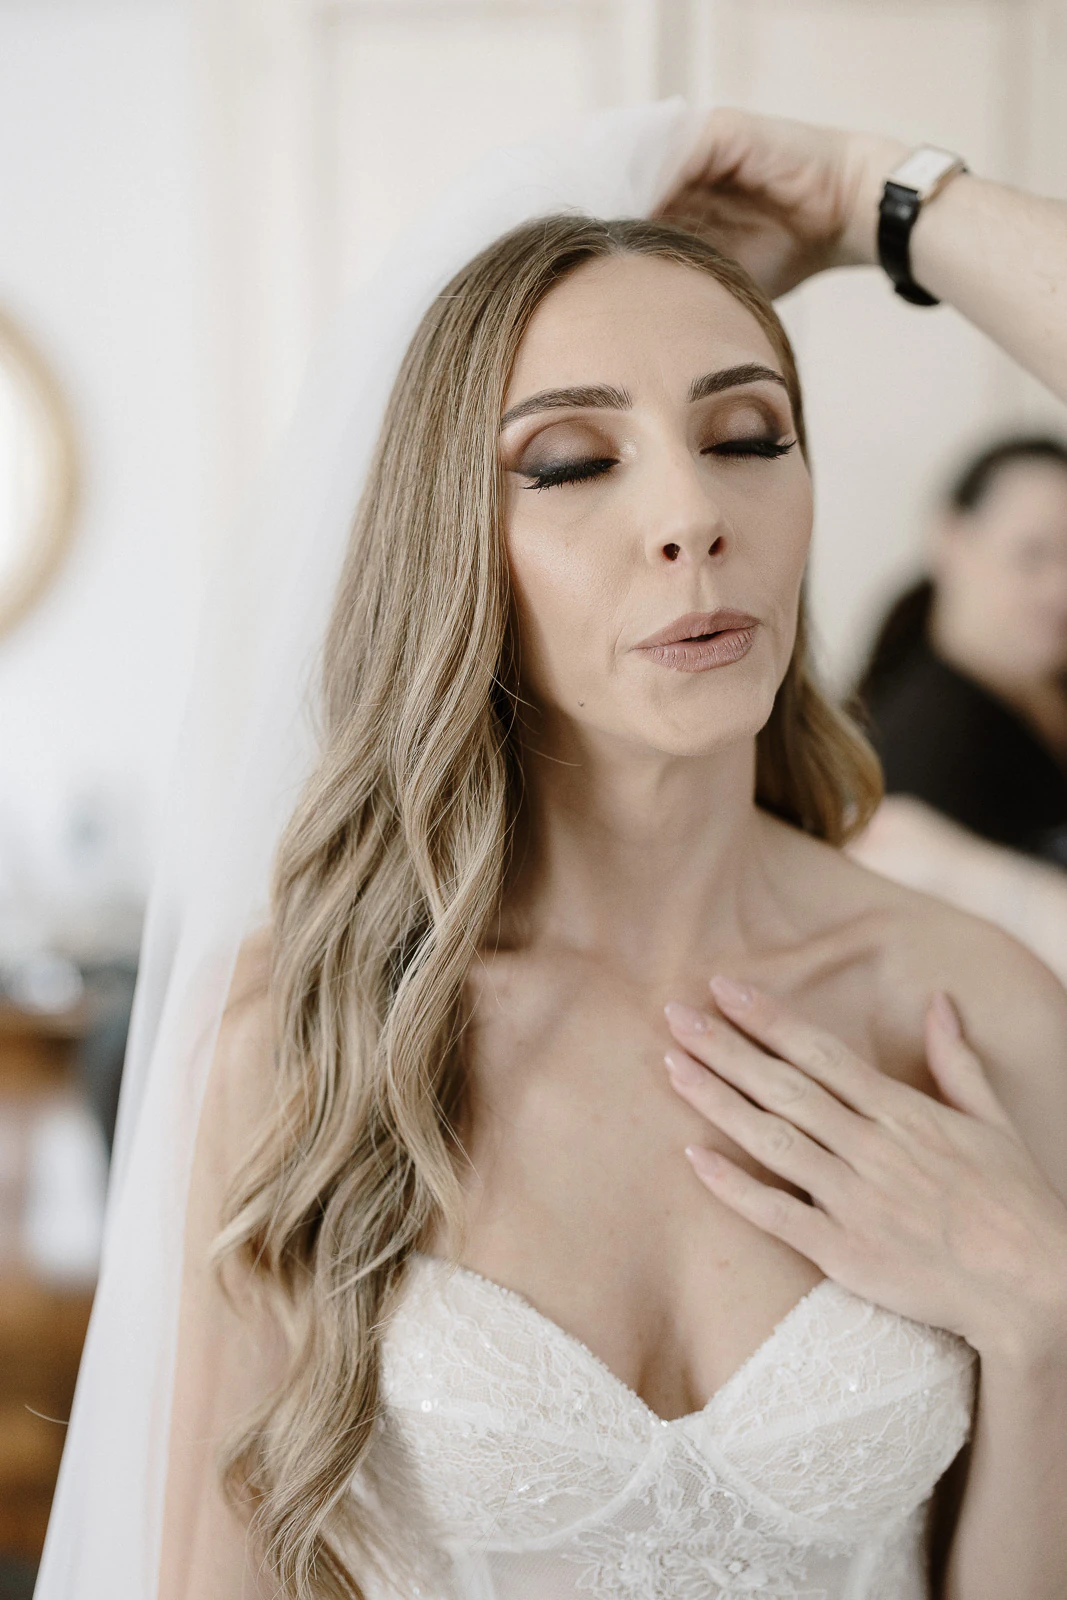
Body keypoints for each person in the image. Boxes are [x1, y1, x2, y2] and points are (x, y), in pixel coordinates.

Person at [36, 105, 1067, 1600]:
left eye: (743, 437)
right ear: (453, 546)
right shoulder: (314, 1029)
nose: (692, 516)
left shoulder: (971, 1011)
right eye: (572, 463)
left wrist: (1039, 1320)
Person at [855, 435, 1067, 865]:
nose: (1061, 589)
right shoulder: (924, 759)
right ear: (951, 540)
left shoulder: (1048, 687)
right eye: (1034, 554)